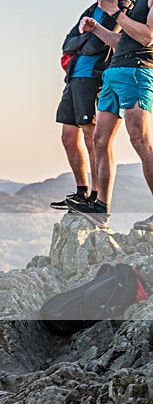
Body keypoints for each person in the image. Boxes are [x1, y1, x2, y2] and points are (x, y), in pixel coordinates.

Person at [69, 0, 153, 231]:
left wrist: (113, 12)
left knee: (140, 141)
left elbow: (147, 37)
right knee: (99, 141)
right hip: (114, 72)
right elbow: (123, 41)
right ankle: (100, 208)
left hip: (136, 71)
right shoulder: (134, 3)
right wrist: (96, 27)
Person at [52, 1, 129, 210]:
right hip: (73, 78)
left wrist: (84, 40)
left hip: (94, 78)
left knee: (91, 137)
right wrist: (89, 36)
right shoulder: (91, 9)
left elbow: (99, 45)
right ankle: (81, 191)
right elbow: (67, 44)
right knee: (68, 136)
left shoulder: (121, 9)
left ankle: (96, 196)